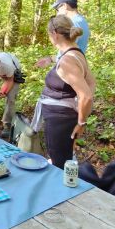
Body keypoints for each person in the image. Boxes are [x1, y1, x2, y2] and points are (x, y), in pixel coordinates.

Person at [33, 15, 95, 167]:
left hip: (60, 120)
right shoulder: (76, 53)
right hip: (63, 118)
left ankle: (62, 189)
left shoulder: (67, 61)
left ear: (55, 34)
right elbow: (91, 83)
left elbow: (86, 95)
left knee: (59, 164)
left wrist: (81, 122)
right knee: (63, 158)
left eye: (49, 35)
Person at [36, 0, 90, 68]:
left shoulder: (73, 23)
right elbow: (69, 51)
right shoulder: (82, 21)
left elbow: (68, 51)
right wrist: (50, 59)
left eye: (57, 9)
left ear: (65, 6)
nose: (57, 13)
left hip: (69, 68)